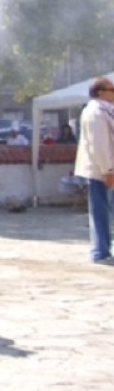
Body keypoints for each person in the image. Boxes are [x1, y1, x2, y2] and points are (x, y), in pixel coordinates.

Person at [73, 77, 114, 265]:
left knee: (104, 211)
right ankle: (101, 252)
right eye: (111, 89)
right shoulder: (95, 112)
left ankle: (103, 250)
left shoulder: (105, 110)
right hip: (103, 170)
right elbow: (99, 144)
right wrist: (107, 169)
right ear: (100, 92)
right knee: (101, 212)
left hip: (107, 168)